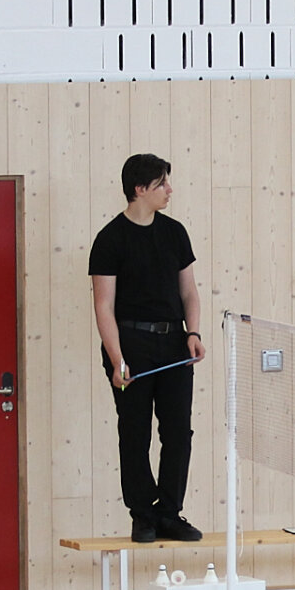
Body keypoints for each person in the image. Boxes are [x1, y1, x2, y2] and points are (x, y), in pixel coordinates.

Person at [89, 153, 206, 544]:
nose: (169, 190)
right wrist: (117, 359)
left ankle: (170, 513)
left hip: (174, 343)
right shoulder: (110, 239)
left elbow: (189, 291)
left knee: (178, 432)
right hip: (131, 344)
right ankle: (142, 514)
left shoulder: (175, 233)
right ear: (140, 189)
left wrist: (193, 333)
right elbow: (103, 305)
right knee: (134, 432)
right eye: (161, 184)